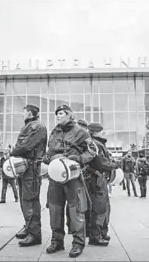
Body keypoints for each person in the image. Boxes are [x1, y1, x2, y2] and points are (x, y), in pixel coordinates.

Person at [43, 104, 96, 258]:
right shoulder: (55, 132)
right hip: (55, 177)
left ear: (70, 115)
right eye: (57, 114)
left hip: (73, 177)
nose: (58, 116)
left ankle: (78, 243)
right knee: (55, 209)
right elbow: (50, 150)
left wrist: (80, 159)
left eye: (61, 113)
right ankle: (57, 241)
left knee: (76, 210)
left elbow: (93, 150)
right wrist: (46, 159)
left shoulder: (81, 132)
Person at [10, 104, 48, 247]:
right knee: (25, 199)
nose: (23, 114)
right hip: (25, 167)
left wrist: (13, 152)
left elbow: (27, 146)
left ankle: (35, 234)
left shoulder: (37, 126)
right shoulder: (29, 126)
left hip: (31, 167)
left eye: (25, 112)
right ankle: (29, 227)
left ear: (31, 114)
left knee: (30, 200)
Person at [85, 122, 118, 246]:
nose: (103, 133)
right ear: (95, 132)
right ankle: (95, 236)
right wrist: (115, 165)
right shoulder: (95, 144)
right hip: (96, 179)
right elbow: (101, 163)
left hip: (98, 179)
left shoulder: (98, 143)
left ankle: (101, 233)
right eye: (101, 131)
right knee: (99, 208)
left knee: (103, 207)